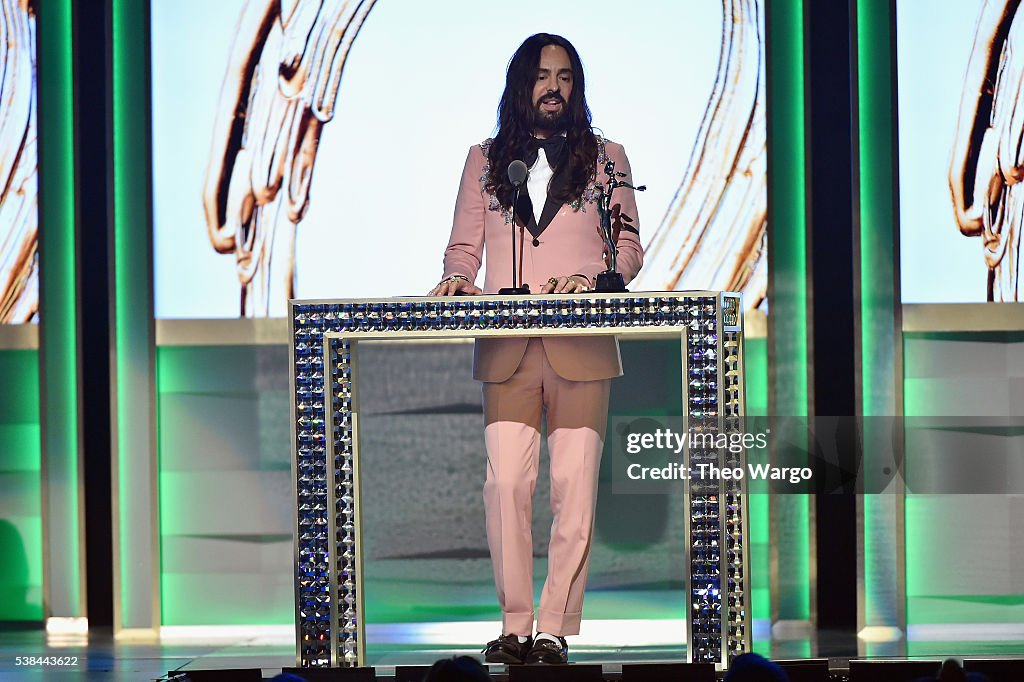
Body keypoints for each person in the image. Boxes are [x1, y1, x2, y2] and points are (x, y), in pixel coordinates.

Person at [429, 33, 643, 665]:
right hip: (508, 347)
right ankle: (515, 622)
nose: (555, 87)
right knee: (506, 485)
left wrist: (601, 278)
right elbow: (465, 245)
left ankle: (554, 625)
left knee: (573, 486)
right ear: (521, 84)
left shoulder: (607, 159)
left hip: (580, 343)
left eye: (566, 77)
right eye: (543, 76)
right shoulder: (486, 160)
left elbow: (629, 248)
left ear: (577, 87)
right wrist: (457, 278)